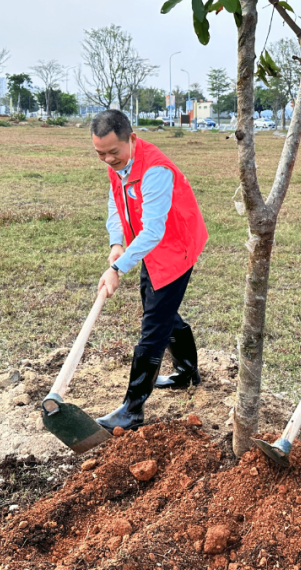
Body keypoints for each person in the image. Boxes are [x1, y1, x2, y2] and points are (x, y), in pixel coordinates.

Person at [90, 109, 208, 432]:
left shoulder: (155, 170)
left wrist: (118, 267)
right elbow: (116, 204)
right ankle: (187, 372)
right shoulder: (117, 166)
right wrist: (117, 243)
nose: (107, 160)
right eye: (100, 153)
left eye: (113, 152)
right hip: (153, 249)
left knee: (153, 326)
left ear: (132, 138)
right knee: (155, 306)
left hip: (175, 249)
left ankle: (132, 409)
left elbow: (154, 231)